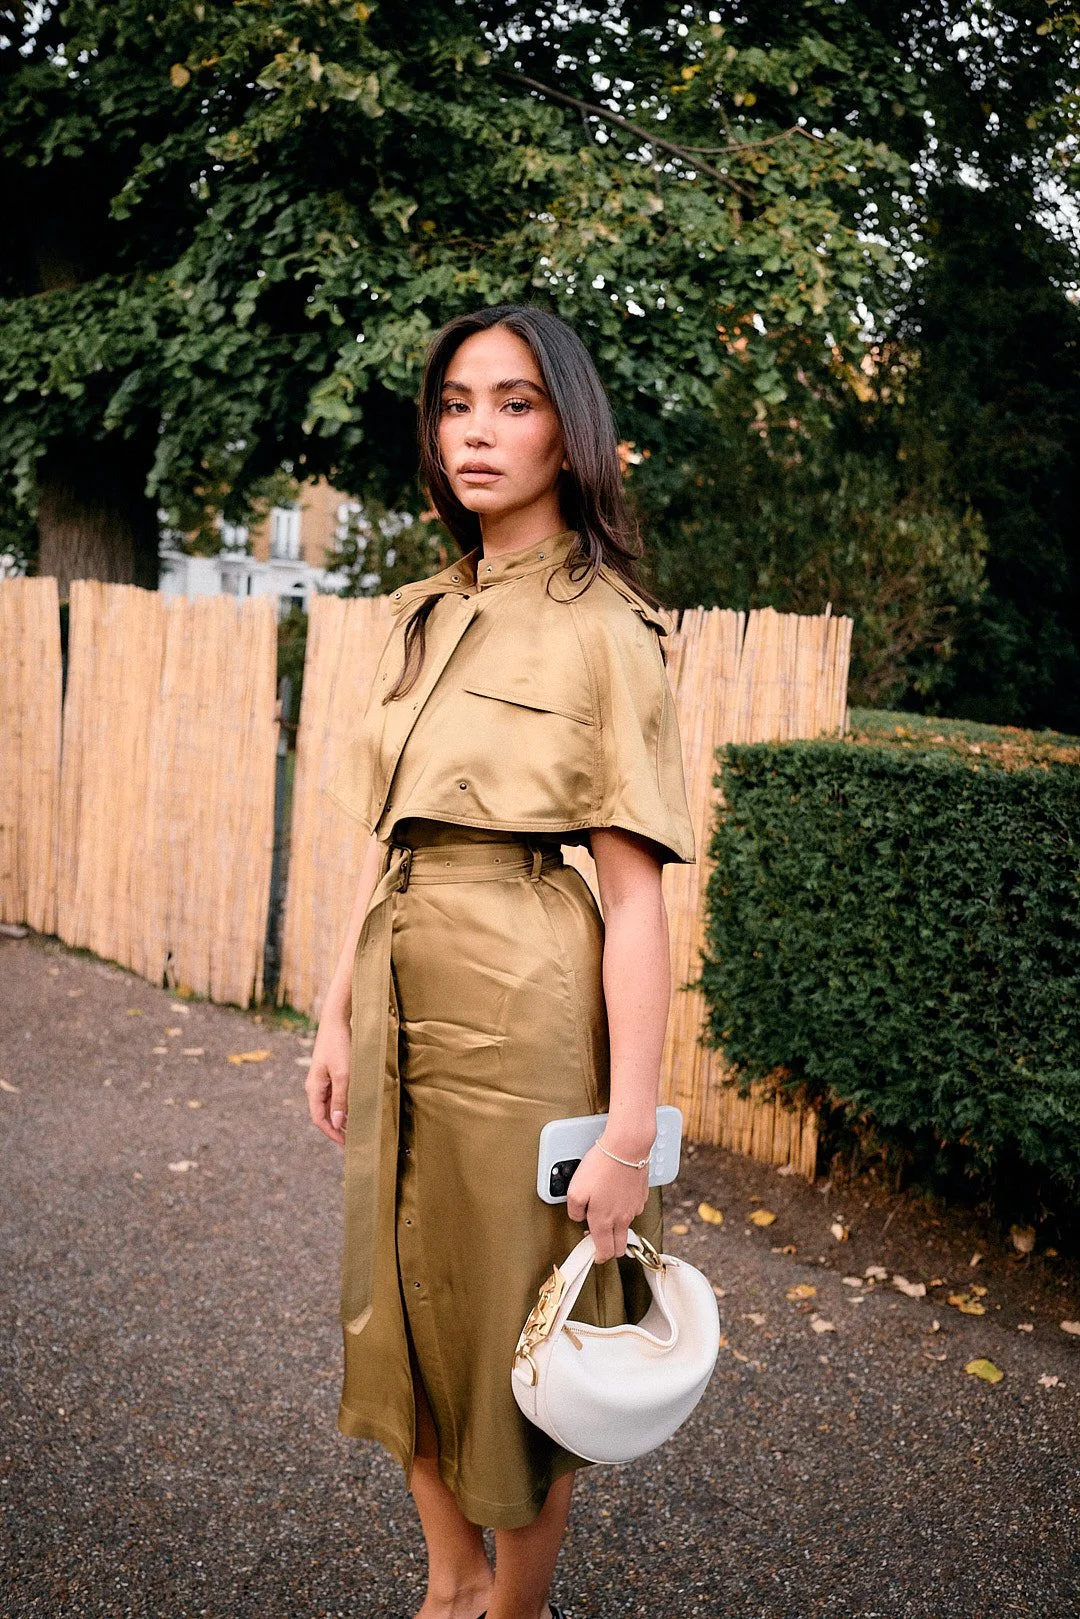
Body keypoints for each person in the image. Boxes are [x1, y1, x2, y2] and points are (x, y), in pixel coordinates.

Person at [305, 304, 695, 1619]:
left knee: (519, 1328)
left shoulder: (610, 627)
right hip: (398, 974)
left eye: (514, 403)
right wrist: (334, 1013)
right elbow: (387, 834)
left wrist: (628, 1134)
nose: (476, 430)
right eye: (456, 404)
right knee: (398, 1296)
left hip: (527, 994)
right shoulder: (421, 613)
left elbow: (633, 901)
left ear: (567, 435)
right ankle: (449, 1583)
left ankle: (512, 1611)